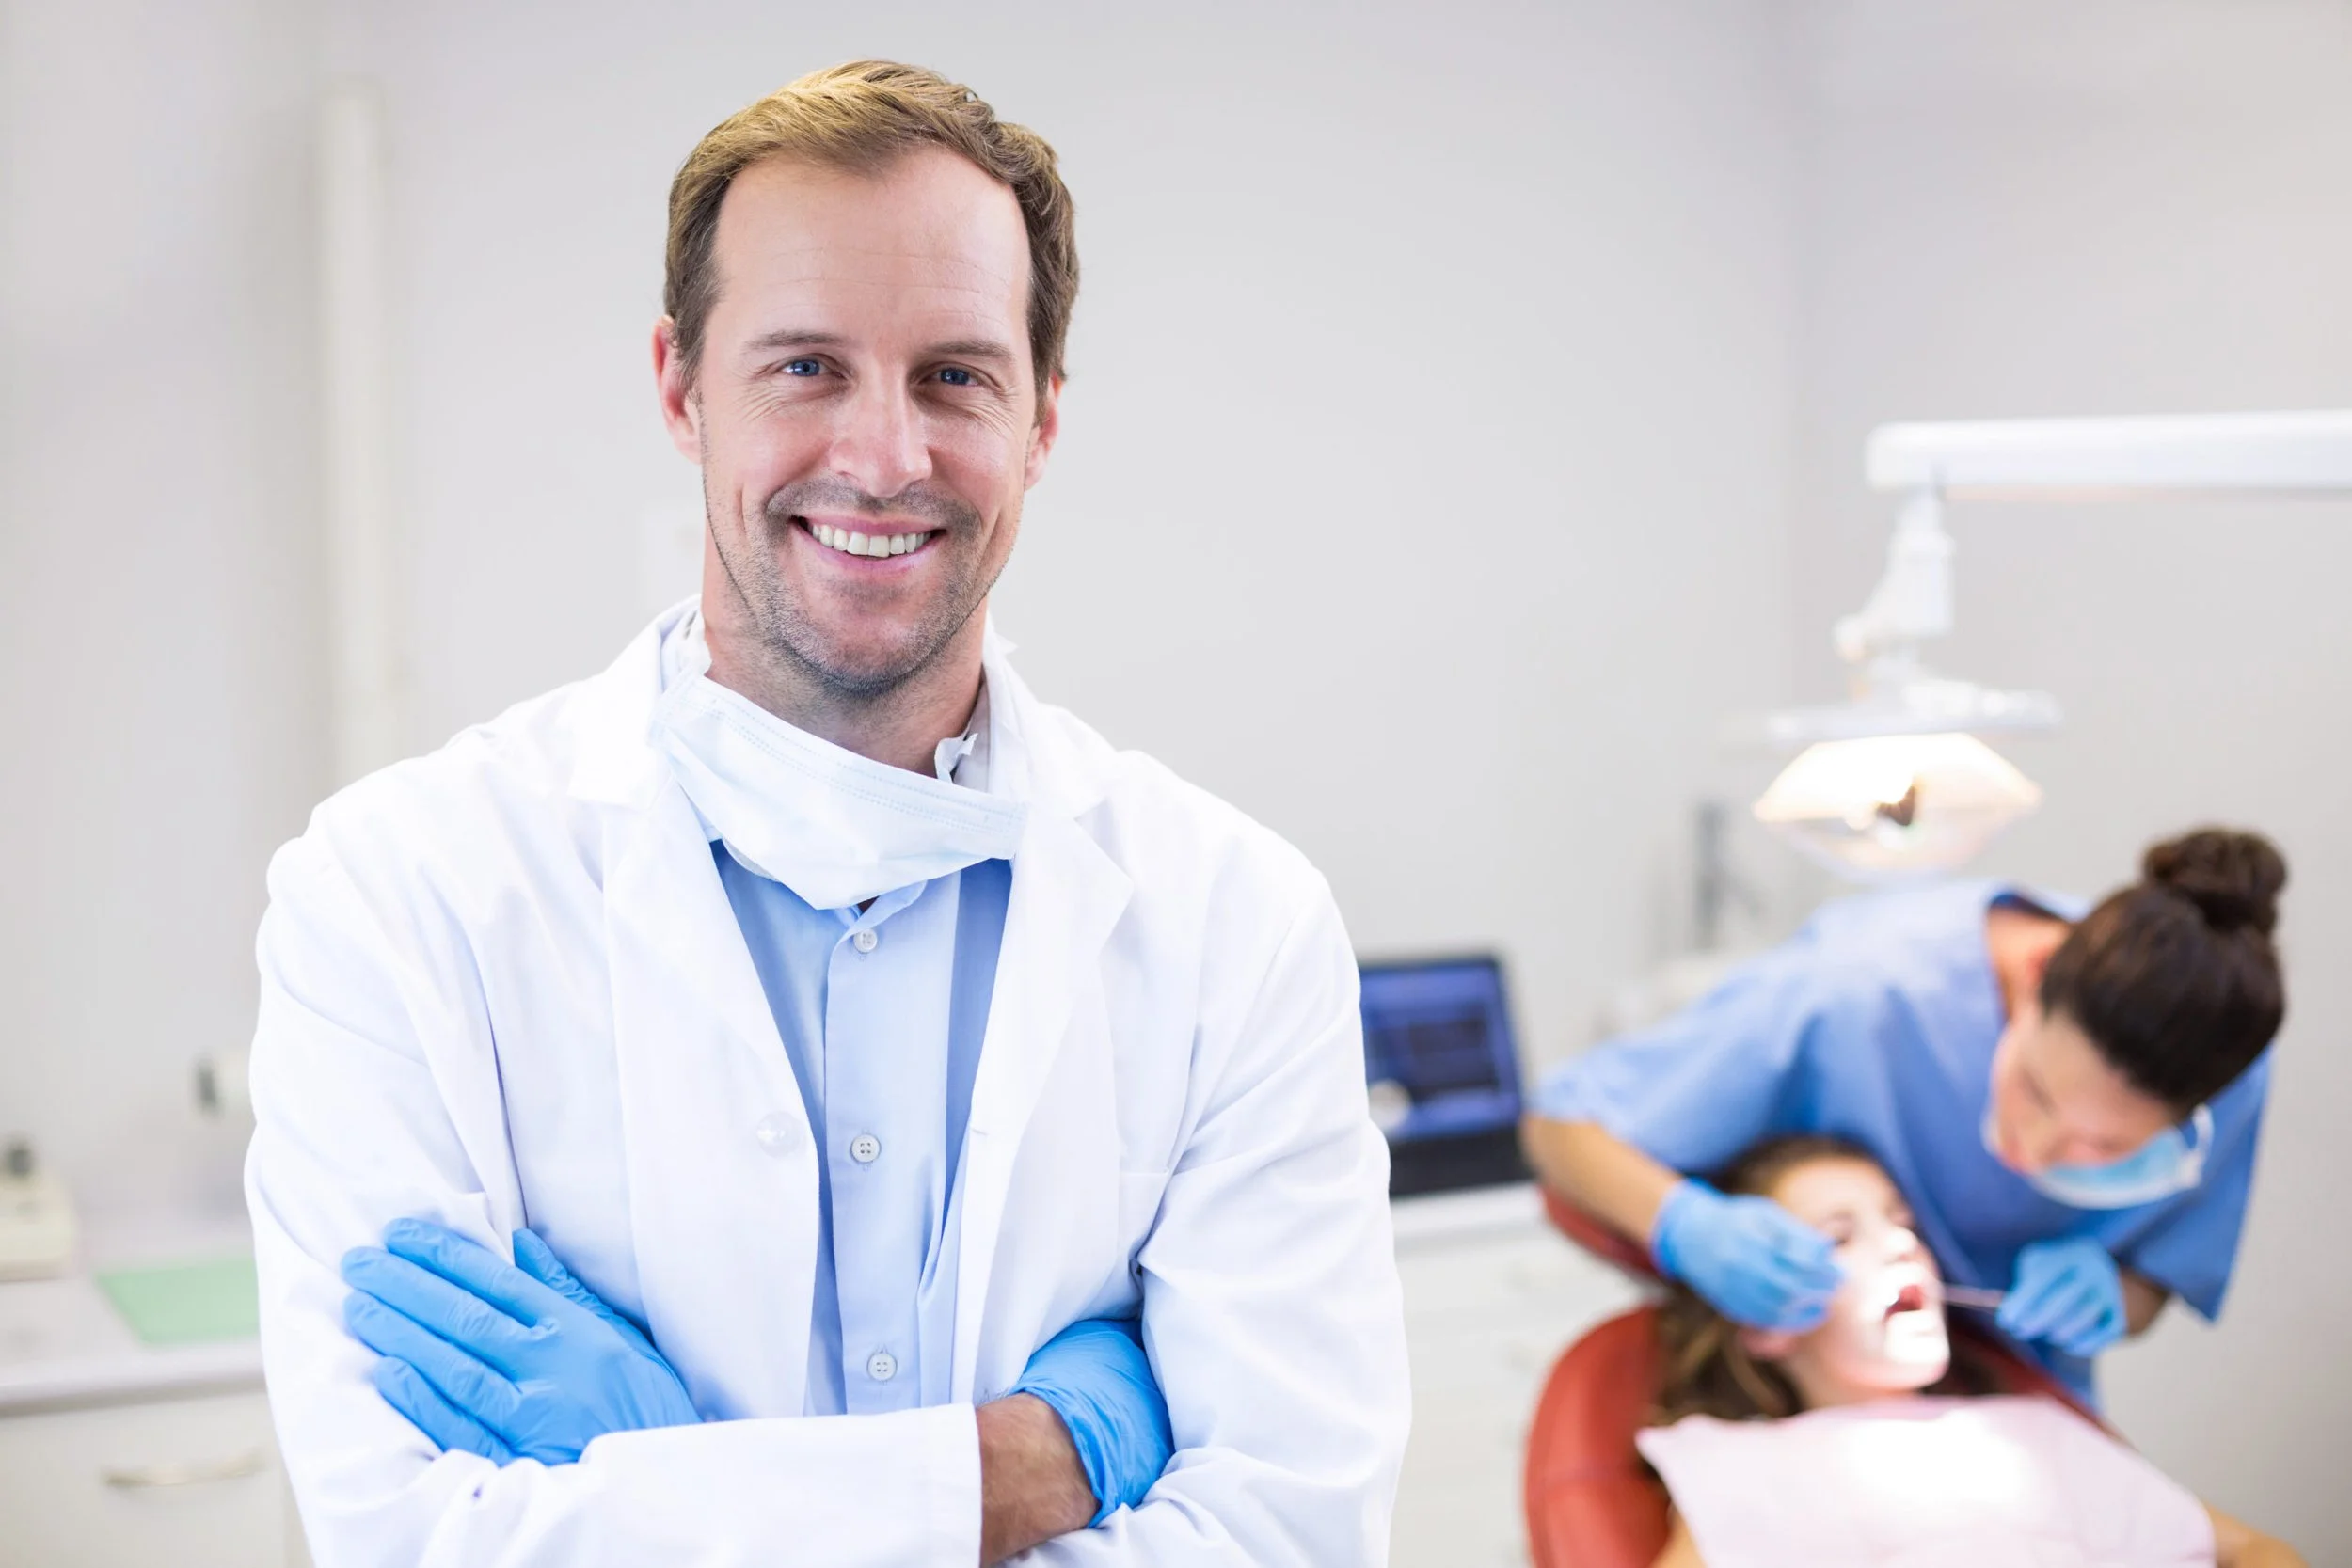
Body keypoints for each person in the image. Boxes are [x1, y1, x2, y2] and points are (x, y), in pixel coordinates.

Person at [245, 60, 1408, 1568]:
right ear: (681, 387)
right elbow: (415, 1538)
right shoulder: (402, 892)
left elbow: (1290, 1532)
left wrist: (672, 1484)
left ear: (1044, 416)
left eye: (956, 375)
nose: (883, 455)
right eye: (804, 366)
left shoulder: (1238, 920)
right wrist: (1030, 1465)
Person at [1524, 827, 2286, 1400]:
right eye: (2038, 1094)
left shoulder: (2224, 1067)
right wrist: (1689, 1226)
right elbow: (1561, 1125)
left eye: (2106, 1146)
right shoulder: (1860, 984)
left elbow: (2157, 1273)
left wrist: (2115, 1298)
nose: (2035, 1153)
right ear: (2035, 971)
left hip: (2022, 1404)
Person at [1638, 1135, 2307, 1567]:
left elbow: (2255, 1549)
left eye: (1901, 1221)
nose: (1901, 1245)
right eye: (1839, 1236)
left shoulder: (2036, 1429)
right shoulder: (1742, 1463)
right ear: (1762, 1322)